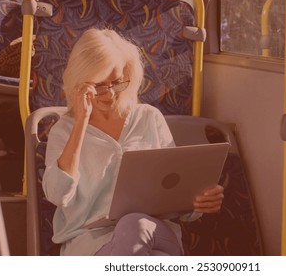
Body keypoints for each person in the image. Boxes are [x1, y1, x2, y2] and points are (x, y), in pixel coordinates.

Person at [42, 28, 225, 256]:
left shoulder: (149, 117)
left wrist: (199, 200)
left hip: (153, 230)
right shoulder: (63, 130)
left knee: (133, 225)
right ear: (80, 84)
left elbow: (175, 192)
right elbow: (58, 195)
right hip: (90, 245)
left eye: (117, 83)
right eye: (99, 86)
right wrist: (81, 121)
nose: (109, 94)